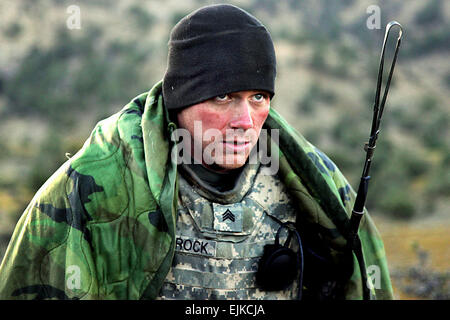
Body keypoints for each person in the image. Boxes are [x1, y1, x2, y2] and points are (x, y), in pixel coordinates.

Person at [0, 4, 393, 300]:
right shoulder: (92, 185)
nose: (244, 119)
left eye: (258, 97)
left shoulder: (315, 186)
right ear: (182, 100)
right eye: (223, 96)